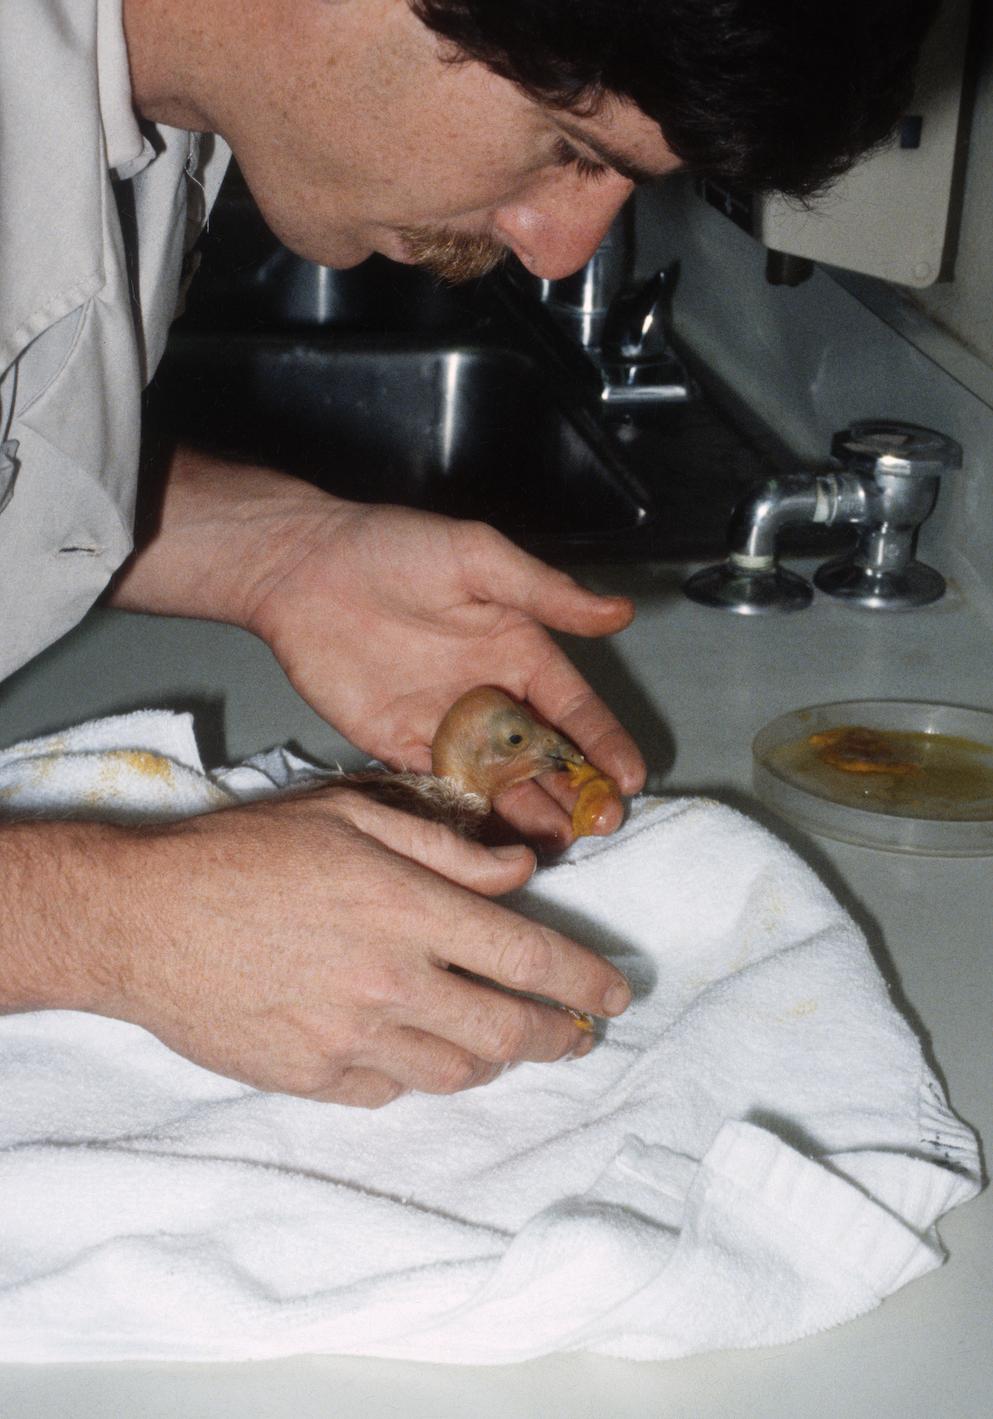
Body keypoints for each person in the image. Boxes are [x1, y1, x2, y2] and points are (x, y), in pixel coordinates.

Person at [0, 0, 938, 1106]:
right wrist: (109, 925)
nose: (561, 249)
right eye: (568, 147)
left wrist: (270, 555)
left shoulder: (163, 109)